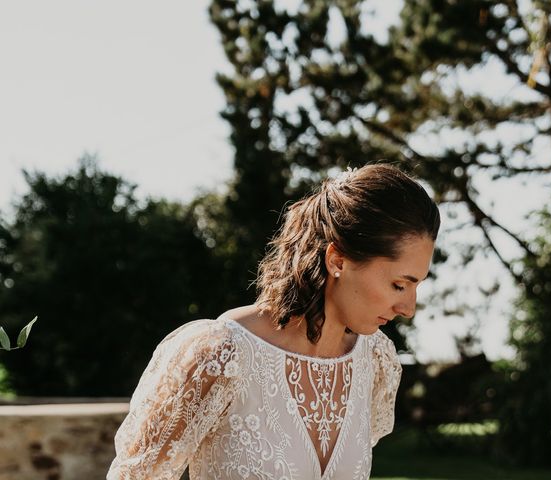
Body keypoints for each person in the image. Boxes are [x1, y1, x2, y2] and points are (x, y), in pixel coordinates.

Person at [107, 163, 440, 480]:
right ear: (338, 260)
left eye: (416, 285)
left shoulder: (375, 360)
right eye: (399, 284)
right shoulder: (220, 356)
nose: (409, 307)